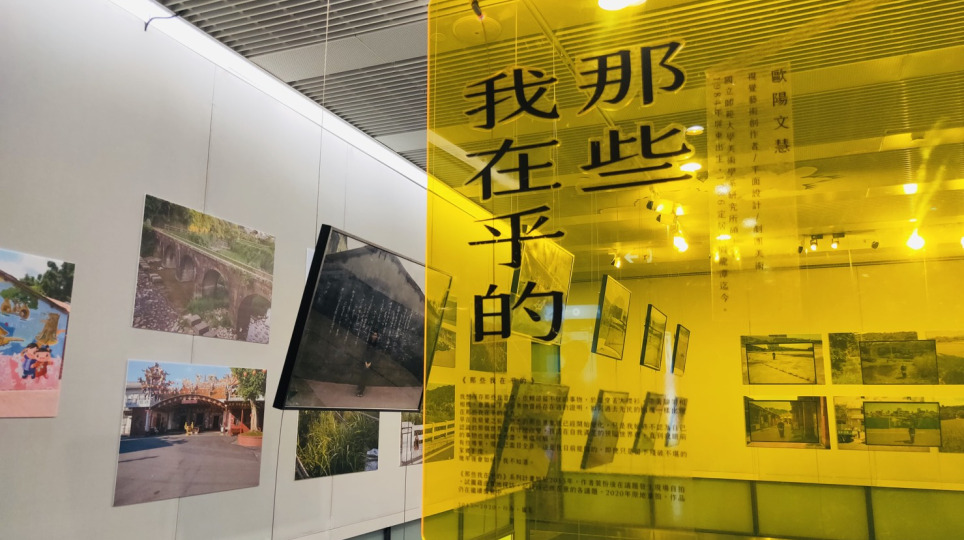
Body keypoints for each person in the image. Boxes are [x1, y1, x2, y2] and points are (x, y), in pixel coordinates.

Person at [355, 330, 379, 397]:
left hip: (371, 363)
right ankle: (360, 387)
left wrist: (370, 363)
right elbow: (364, 353)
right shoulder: (368, 343)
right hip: (364, 361)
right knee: (362, 375)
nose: (374, 336)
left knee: (365, 375)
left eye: (376, 335)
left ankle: (361, 391)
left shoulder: (377, 345)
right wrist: (365, 362)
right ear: (371, 335)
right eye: (373, 335)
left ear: (377, 337)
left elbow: (375, 356)